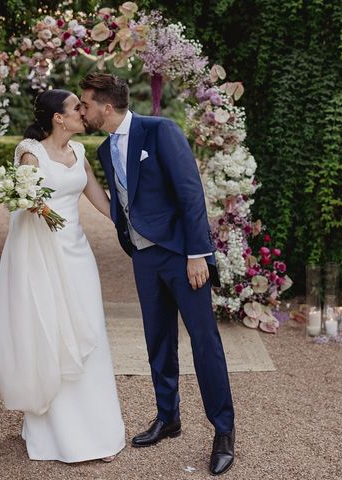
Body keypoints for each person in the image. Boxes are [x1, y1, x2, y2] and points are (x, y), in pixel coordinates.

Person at [79, 73, 236, 476]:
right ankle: (168, 417)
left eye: (86, 104)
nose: (83, 110)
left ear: (106, 107)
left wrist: (198, 253)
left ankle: (223, 432)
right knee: (158, 341)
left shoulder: (160, 131)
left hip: (183, 257)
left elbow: (190, 193)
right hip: (144, 259)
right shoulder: (103, 149)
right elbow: (122, 200)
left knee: (205, 343)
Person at [0, 89, 125, 463]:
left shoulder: (79, 153)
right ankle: (57, 433)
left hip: (77, 254)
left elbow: (100, 199)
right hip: (41, 255)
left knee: (88, 332)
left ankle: (97, 431)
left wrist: (134, 224)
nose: (83, 111)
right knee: (51, 334)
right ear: (58, 118)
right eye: (75, 107)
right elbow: (27, 201)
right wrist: (35, 205)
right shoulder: (30, 152)